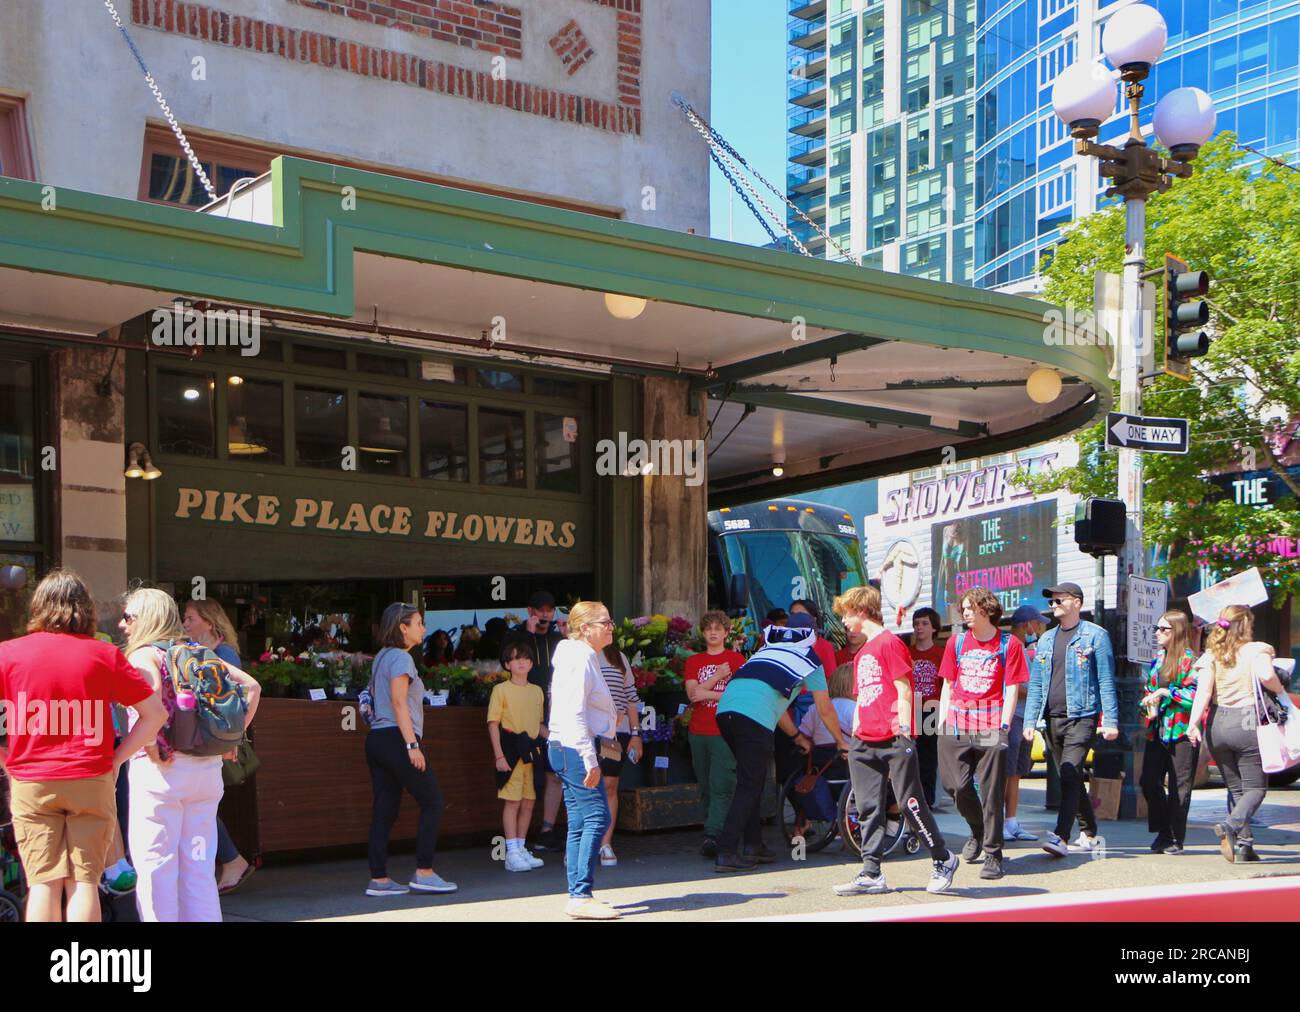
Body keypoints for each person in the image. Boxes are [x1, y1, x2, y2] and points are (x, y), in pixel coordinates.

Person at [0, 571, 166, 922]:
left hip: (32, 780)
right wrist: (116, 760)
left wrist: (6, 761)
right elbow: (155, 714)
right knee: (84, 881)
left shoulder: (8, 654)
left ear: (38, 607)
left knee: (44, 884)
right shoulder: (104, 655)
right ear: (85, 609)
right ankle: (81, 967)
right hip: (91, 778)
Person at [122, 587, 261, 921]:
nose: (123, 625)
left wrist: (152, 744)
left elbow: (151, 700)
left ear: (145, 618)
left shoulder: (144, 655)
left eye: (128, 617)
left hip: (161, 774)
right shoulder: (198, 651)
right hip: (206, 772)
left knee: (156, 868)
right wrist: (232, 741)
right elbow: (252, 688)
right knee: (199, 868)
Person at [830, 585, 958, 896]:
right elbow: (862, 700)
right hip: (864, 741)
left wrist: (903, 731)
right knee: (867, 807)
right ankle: (871, 871)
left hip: (893, 738)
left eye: (846, 614)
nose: (844, 622)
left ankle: (943, 858)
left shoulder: (890, 644)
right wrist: (853, 739)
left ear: (861, 611)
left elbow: (903, 689)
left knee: (910, 803)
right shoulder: (861, 655)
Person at [713, 612, 848, 873]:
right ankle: (726, 850)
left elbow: (776, 707)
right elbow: (825, 709)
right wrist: (841, 741)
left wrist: (797, 736)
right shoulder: (810, 660)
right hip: (754, 720)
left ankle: (754, 846)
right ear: (813, 635)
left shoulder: (766, 651)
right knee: (749, 785)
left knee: (749, 782)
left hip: (726, 713)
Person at [363, 602, 457, 897]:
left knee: (384, 810)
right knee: (432, 802)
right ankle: (424, 872)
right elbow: (399, 702)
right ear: (403, 627)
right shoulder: (402, 660)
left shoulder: (381, 657)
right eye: (418, 623)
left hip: (377, 739)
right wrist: (412, 745)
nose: (423, 629)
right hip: (397, 738)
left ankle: (379, 879)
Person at [936, 588, 1029, 880]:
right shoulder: (957, 642)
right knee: (956, 786)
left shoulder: (1009, 644)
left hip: (990, 724)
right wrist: (941, 723)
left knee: (991, 792)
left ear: (986, 610)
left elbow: (1012, 687)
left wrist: (1004, 725)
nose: (964, 613)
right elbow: (948, 685)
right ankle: (977, 828)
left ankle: (993, 852)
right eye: (963, 608)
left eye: (969, 608)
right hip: (957, 724)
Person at [1023, 582, 1118, 858]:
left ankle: (1061, 836)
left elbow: (1106, 680)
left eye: (1059, 601)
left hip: (1083, 715)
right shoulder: (1046, 639)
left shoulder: (1095, 636)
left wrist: (1110, 720)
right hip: (1053, 718)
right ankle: (1089, 833)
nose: (1053, 606)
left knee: (1068, 771)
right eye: (1051, 602)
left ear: (1076, 602)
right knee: (1071, 776)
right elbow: (1037, 683)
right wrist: (1030, 720)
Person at [1187, 604, 1285, 864]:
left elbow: (1204, 693)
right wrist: (1281, 692)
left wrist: (1193, 723)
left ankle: (1245, 847)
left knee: (1237, 789)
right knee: (1256, 788)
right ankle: (1230, 826)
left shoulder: (1211, 655)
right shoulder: (1257, 650)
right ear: (1246, 625)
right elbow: (1266, 675)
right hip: (1247, 721)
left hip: (1217, 725)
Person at [546, 600, 622, 919]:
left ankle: (578, 894)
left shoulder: (579, 655)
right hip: (575, 747)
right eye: (605, 622)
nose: (611, 627)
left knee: (580, 820)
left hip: (567, 746)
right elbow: (574, 710)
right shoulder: (579, 658)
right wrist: (589, 757)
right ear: (586, 628)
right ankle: (580, 895)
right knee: (596, 818)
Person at [182, 597, 255, 895]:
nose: (185, 624)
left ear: (209, 622)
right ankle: (228, 859)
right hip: (206, 742)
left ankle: (231, 859)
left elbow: (234, 700)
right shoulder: (205, 651)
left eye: (190, 618)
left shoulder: (223, 653)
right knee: (199, 804)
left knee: (199, 805)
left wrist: (233, 738)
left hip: (217, 743)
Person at [503, 591, 565, 851]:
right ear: (530, 610)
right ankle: (516, 841)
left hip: (555, 708)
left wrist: (567, 636)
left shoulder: (559, 638)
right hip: (524, 710)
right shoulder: (517, 636)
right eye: (540, 610)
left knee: (554, 773)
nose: (545, 615)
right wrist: (527, 634)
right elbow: (508, 661)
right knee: (525, 771)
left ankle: (548, 829)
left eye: (550, 610)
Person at [685, 610, 746, 857]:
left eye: (718, 629)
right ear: (703, 632)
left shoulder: (737, 659)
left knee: (722, 783)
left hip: (724, 729)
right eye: (709, 628)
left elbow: (739, 694)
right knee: (705, 785)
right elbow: (692, 695)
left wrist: (705, 692)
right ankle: (718, 828)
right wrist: (718, 677)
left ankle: (713, 833)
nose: (713, 632)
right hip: (698, 731)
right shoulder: (694, 661)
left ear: (726, 632)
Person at [1140, 610, 1199, 855]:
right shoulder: (1157, 660)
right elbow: (1148, 690)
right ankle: (1164, 828)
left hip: (1182, 732)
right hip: (1157, 730)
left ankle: (1174, 838)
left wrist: (1167, 693)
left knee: (1179, 788)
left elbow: (1195, 696)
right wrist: (1147, 703)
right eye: (1157, 628)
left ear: (1177, 632)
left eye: (1164, 629)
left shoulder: (1189, 660)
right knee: (1148, 781)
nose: (1157, 633)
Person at [486, 640, 547, 873]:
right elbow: (493, 725)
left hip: (533, 750)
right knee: (512, 801)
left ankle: (521, 847)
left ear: (532, 664)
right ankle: (511, 851)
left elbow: (540, 724)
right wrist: (499, 756)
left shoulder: (537, 691)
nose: (521, 662)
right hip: (511, 748)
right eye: (515, 658)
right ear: (507, 664)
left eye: (526, 658)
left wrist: (555, 739)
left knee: (529, 801)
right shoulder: (500, 690)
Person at [595, 641, 643, 867]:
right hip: (585, 732)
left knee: (609, 785)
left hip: (614, 736)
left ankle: (605, 843)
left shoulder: (618, 656)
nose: (608, 629)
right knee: (581, 787)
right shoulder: (577, 655)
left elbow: (631, 696)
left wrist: (635, 733)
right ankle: (579, 844)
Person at [1005, 603, 1047, 842]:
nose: (1039, 627)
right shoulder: (1012, 647)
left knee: (1016, 772)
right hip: (1012, 718)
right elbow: (1011, 685)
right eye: (1037, 623)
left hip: (1023, 718)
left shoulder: (1023, 648)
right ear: (1026, 625)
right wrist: (1035, 692)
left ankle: (1011, 822)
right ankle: (1000, 822)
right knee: (1006, 772)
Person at [908, 606, 945, 807]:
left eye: (924, 623)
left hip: (931, 710)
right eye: (916, 624)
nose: (919, 627)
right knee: (908, 756)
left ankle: (927, 801)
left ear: (934, 628)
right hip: (910, 710)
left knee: (928, 758)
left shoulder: (940, 653)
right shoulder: (906, 653)